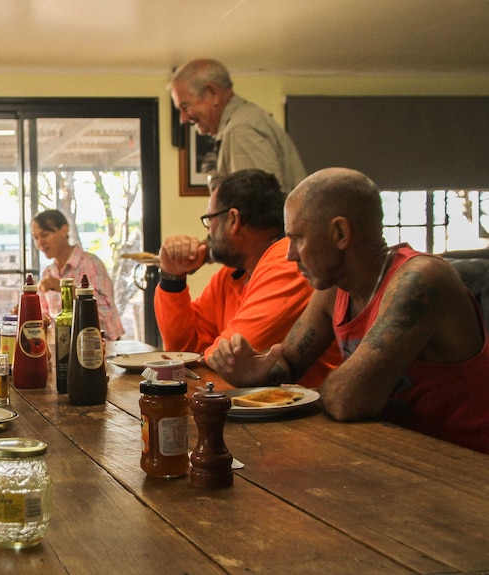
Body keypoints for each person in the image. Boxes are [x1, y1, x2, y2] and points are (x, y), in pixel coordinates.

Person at [208, 168, 489, 454]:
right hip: (396, 452)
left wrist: (312, 389)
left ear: (340, 233)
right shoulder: (333, 289)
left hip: (467, 467)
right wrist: (253, 372)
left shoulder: (422, 279)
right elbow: (289, 364)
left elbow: (348, 399)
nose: (290, 254)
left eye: (298, 238)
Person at [155, 169, 340, 388]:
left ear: (233, 220)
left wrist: (201, 357)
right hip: (258, 406)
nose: (208, 232)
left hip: (307, 415)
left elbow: (231, 362)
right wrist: (172, 278)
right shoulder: (232, 275)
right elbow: (182, 351)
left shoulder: (288, 262)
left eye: (209, 220)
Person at [170, 58, 306, 193]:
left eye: (185, 106)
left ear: (212, 93)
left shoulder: (240, 130)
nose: (183, 119)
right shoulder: (243, 121)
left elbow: (258, 207)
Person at [32, 209, 124, 340]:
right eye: (36, 238)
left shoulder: (90, 263)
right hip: (66, 347)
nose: (40, 242)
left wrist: (62, 288)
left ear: (64, 230)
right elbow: (46, 317)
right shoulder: (48, 272)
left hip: (103, 345)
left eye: (45, 235)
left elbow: (105, 311)